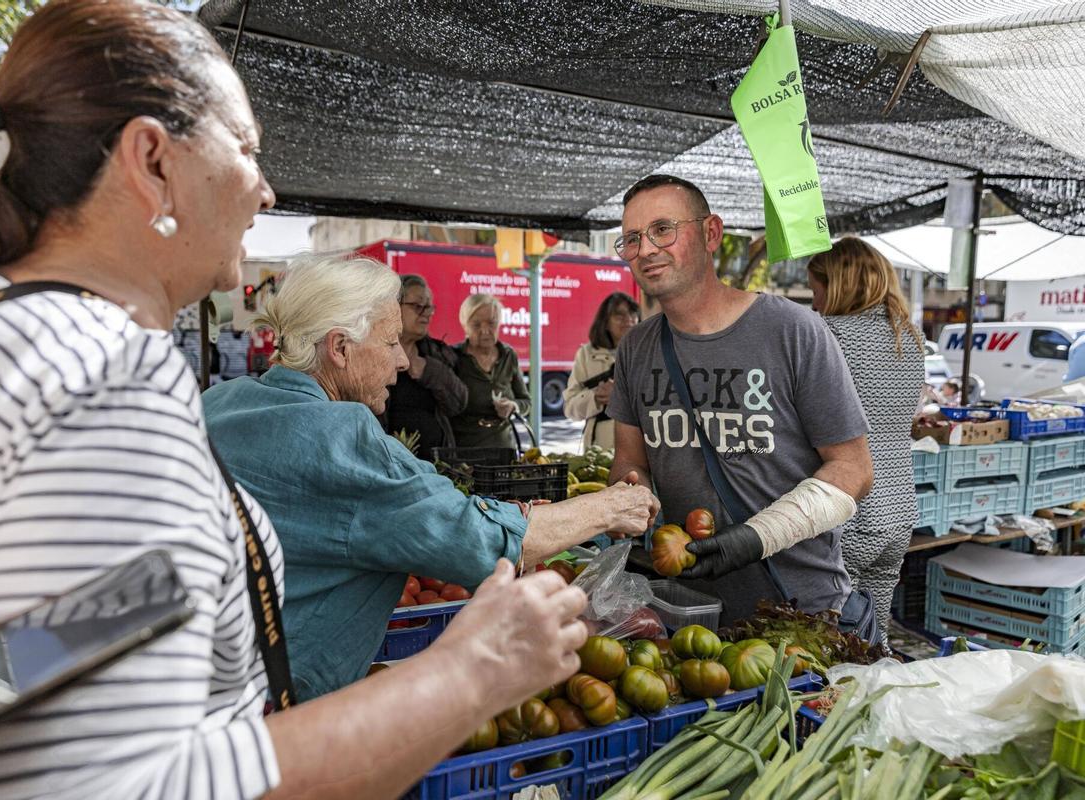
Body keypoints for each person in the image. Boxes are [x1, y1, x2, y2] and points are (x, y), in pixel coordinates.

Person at [0, 3, 592, 798]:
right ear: (151, 159)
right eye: (247, 149)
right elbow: (140, 783)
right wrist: (471, 675)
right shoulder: (100, 381)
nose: (265, 187)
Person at [203, 253, 660, 701]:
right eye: (389, 343)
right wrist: (611, 506)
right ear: (340, 348)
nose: (402, 362)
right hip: (273, 715)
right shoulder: (342, 435)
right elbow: (484, 544)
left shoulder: (219, 402)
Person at [607, 174, 874, 624]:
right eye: (631, 239)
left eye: (662, 229)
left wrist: (757, 537)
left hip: (799, 608)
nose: (646, 249)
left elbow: (854, 470)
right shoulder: (636, 348)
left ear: (711, 232)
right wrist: (631, 497)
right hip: (691, 609)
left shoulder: (793, 331)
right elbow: (629, 460)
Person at [808, 237, 925, 648]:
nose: (815, 303)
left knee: (837, 637)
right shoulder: (910, 338)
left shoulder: (830, 334)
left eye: (816, 291)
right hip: (899, 509)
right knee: (877, 635)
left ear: (837, 285)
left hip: (851, 509)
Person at [378, 273, 467, 461]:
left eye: (429, 307)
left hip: (438, 464)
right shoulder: (374, 352)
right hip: (388, 462)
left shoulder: (437, 353)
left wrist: (431, 371)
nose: (426, 313)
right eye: (418, 306)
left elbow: (459, 404)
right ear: (394, 306)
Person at [450, 293, 531, 449]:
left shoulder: (508, 355)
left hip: (504, 450)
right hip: (465, 452)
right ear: (464, 325)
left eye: (492, 323)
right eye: (476, 325)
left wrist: (513, 406)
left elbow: (526, 401)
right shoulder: (454, 357)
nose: (485, 330)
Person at [564, 292, 640, 450]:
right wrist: (596, 398)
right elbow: (570, 409)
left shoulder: (650, 352)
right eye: (619, 315)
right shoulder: (586, 355)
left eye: (633, 314)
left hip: (641, 450)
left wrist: (621, 397)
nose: (628, 320)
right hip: (599, 454)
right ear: (605, 322)